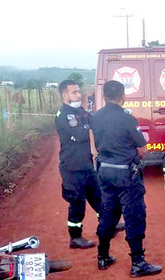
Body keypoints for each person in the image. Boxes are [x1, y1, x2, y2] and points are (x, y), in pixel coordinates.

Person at [91, 80, 162, 278]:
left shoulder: (95, 117)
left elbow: (96, 145)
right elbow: (142, 149)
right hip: (126, 175)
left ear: (104, 96)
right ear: (123, 96)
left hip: (104, 172)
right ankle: (138, 263)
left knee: (108, 213)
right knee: (134, 215)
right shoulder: (127, 119)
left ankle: (103, 256)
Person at [55, 79, 103, 249]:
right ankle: (75, 238)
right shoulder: (64, 115)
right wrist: (87, 126)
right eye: (74, 92)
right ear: (64, 95)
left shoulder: (80, 111)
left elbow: (93, 122)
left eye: (78, 91)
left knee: (98, 197)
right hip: (71, 167)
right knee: (77, 203)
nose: (78, 94)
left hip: (86, 164)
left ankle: (106, 226)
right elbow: (81, 134)